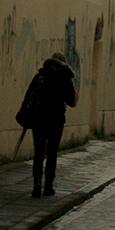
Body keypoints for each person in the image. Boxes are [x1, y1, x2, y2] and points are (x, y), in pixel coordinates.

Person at [27, 51, 77, 198]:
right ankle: (48, 186)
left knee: (39, 153)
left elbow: (30, 96)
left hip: (39, 119)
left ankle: (37, 184)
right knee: (52, 153)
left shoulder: (40, 76)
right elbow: (71, 101)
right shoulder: (65, 78)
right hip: (56, 120)